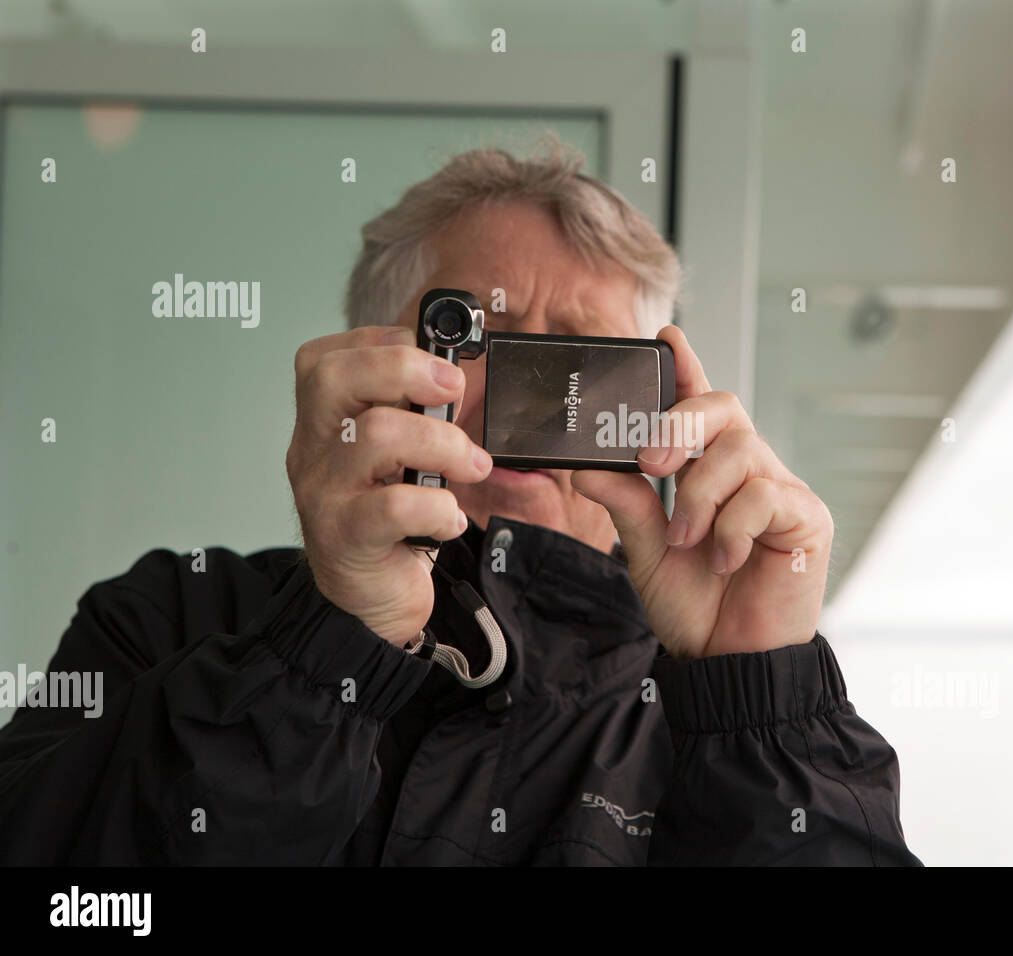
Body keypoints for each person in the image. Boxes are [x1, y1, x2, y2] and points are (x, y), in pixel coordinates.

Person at [0, 141, 921, 866]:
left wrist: (759, 701)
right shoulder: (170, 617)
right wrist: (326, 654)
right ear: (371, 361)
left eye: (578, 359)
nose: (526, 395)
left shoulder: (706, 718)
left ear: (656, 404)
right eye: (474, 333)